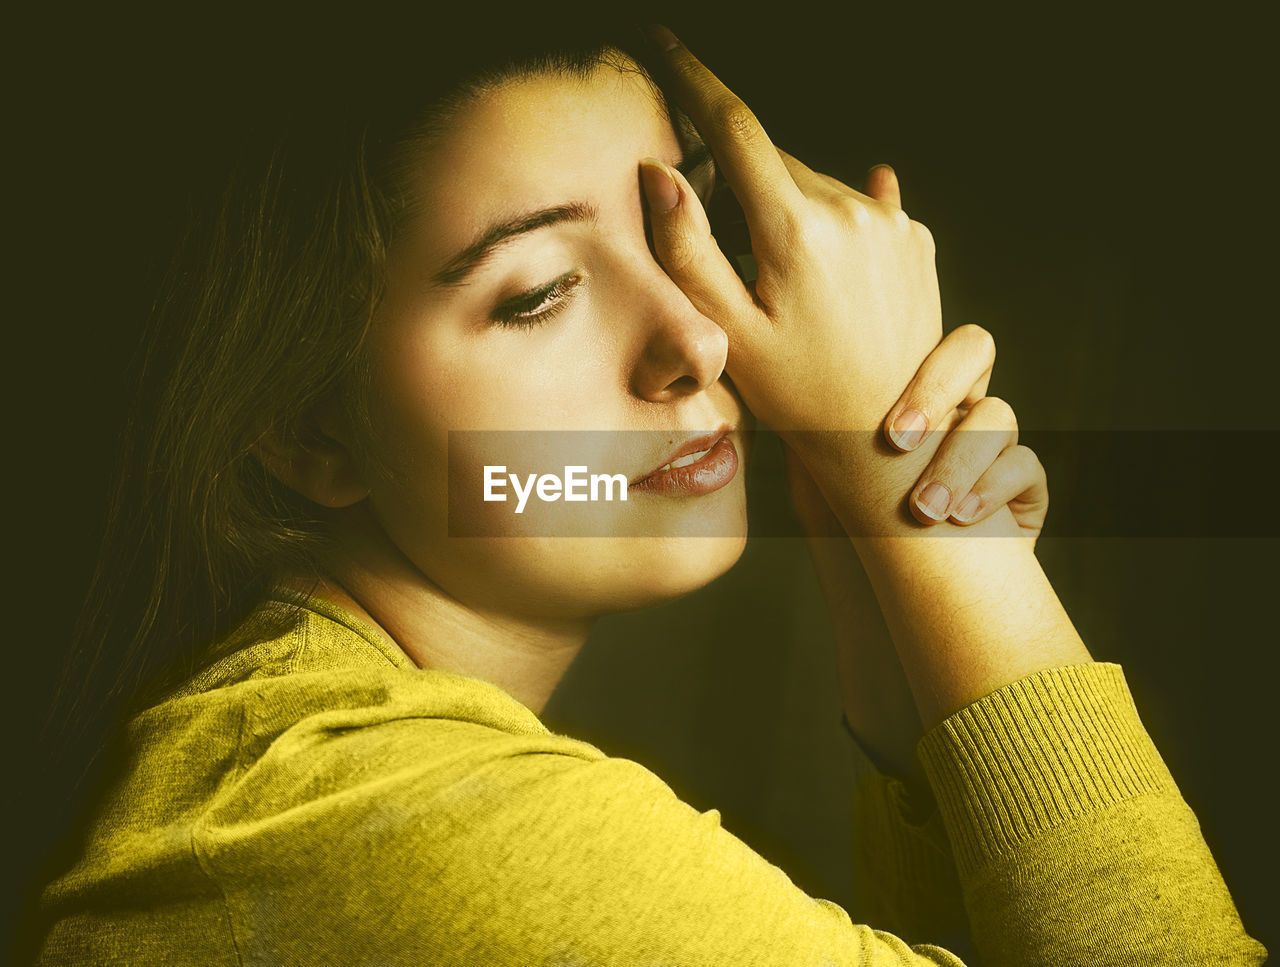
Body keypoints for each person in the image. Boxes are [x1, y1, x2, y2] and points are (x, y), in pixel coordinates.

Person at [22, 12, 1265, 966]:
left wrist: (903, 614)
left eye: (683, 230)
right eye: (537, 292)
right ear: (303, 426)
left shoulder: (294, 758)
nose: (699, 339)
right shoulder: (359, 808)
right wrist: (948, 541)